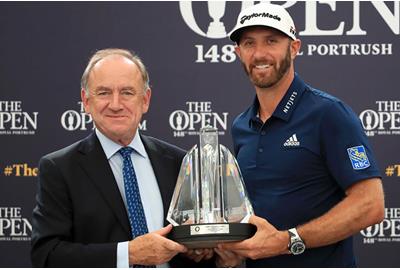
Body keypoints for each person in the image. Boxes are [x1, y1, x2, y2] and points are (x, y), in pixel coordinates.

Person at [215, 3, 385, 267]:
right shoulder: (241, 126)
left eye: (271, 41)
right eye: (249, 43)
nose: (259, 53)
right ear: (238, 52)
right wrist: (233, 249)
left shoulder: (329, 114)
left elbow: (370, 205)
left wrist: (288, 240)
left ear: (294, 48)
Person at [31, 48, 213, 267]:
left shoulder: (179, 162)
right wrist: (128, 254)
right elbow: (47, 256)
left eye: (127, 92)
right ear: (86, 101)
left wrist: (201, 251)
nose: (115, 104)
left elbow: (197, 251)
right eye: (104, 93)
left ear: (145, 100)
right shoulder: (60, 168)